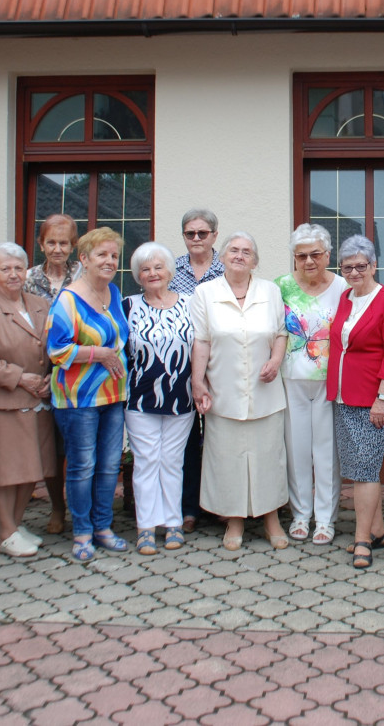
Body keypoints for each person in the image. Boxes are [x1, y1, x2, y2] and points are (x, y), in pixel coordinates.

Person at [190, 231, 290, 551]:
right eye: (233, 250)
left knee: (268, 457)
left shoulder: (270, 291)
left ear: (255, 261)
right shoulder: (205, 293)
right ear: (221, 257)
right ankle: (234, 519)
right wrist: (198, 381)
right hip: (224, 390)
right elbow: (201, 340)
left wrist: (275, 360)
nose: (240, 255)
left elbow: (280, 333)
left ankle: (271, 517)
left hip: (265, 391)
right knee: (227, 458)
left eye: (247, 251)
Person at [0, 243, 55, 558]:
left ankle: (15, 527)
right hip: (2, 400)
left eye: (18, 268)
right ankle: (5, 531)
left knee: (33, 467)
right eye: (6, 269)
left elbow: (53, 345)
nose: (13, 274)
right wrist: (19, 377)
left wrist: (49, 377)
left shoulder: (39, 304)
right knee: (5, 470)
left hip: (39, 397)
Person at [46, 227, 129, 562]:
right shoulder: (68, 299)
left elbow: (122, 339)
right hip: (78, 398)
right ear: (84, 259)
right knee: (82, 466)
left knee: (109, 466)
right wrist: (100, 355)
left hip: (113, 395)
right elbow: (56, 350)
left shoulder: (113, 293)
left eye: (113, 256)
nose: (109, 261)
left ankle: (103, 527)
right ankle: (81, 533)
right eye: (102, 255)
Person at [327, 236, 384, 568]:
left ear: (374, 265)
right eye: (348, 267)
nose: (355, 272)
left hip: (375, 400)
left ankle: (362, 541)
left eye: (362, 265)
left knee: (365, 471)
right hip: (345, 397)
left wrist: (382, 398)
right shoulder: (346, 298)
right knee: (357, 468)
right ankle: (377, 530)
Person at [276, 224, 347, 545]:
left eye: (315, 254)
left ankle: (326, 519)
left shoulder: (344, 288)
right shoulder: (280, 287)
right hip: (291, 380)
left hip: (331, 382)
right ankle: (301, 515)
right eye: (301, 256)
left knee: (326, 452)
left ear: (328, 255)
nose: (308, 261)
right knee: (297, 450)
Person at [123, 243, 196, 555]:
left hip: (182, 398)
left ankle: (173, 522)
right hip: (140, 399)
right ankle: (146, 528)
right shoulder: (128, 305)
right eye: (145, 268)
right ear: (138, 275)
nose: (152, 273)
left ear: (170, 271)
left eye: (158, 267)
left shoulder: (191, 303)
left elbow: (202, 348)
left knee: (172, 461)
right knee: (146, 461)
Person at [23, 214, 83, 535]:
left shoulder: (85, 275)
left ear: (74, 245)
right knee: (50, 446)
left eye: (63, 243)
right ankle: (57, 507)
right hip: (41, 374)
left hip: (79, 371)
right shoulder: (28, 278)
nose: (57, 249)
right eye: (51, 242)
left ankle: (80, 509)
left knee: (76, 444)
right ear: (40, 244)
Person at [169, 207, 225, 533]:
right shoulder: (171, 269)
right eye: (190, 233)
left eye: (202, 233)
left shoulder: (227, 268)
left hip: (220, 365)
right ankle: (189, 508)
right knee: (187, 439)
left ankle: (219, 504)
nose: (196, 239)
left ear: (214, 236)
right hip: (180, 366)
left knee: (219, 437)